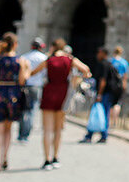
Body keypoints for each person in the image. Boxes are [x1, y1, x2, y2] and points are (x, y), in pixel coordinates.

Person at [28, 38, 91, 169]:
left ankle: (47, 160)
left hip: (49, 92)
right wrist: (76, 77)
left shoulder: (48, 60)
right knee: (58, 129)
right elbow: (86, 70)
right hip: (63, 94)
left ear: (52, 47)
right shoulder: (70, 59)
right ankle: (56, 157)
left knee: (47, 130)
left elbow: (33, 73)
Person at [0, 32, 30, 171]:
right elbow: (22, 80)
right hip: (13, 95)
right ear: (16, 44)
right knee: (7, 130)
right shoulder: (21, 61)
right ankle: (5, 157)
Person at [79, 47, 121, 143]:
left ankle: (94, 135)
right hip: (107, 93)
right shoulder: (109, 64)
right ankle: (101, 135)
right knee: (101, 113)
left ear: (103, 53)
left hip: (104, 93)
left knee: (100, 113)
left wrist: (99, 94)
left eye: (98, 53)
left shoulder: (104, 64)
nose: (97, 55)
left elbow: (103, 80)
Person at [17, 38, 48, 143]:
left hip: (24, 85)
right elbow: (45, 74)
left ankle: (20, 133)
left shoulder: (24, 56)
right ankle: (26, 135)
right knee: (32, 110)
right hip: (36, 86)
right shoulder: (43, 58)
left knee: (22, 109)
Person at [109, 46, 129, 127]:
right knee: (117, 104)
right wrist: (124, 85)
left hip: (111, 84)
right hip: (120, 84)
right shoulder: (124, 63)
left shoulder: (111, 61)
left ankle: (110, 121)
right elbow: (125, 76)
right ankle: (115, 121)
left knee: (110, 103)